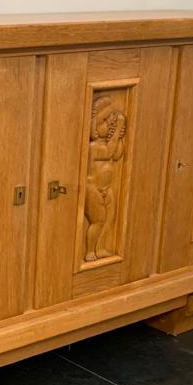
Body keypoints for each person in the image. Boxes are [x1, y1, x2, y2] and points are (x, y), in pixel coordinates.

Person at [84, 96, 126, 261]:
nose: (108, 124)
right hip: (92, 188)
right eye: (104, 121)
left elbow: (116, 154)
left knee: (109, 219)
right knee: (98, 220)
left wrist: (118, 136)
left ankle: (101, 247)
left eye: (110, 121)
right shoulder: (93, 147)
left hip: (107, 188)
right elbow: (108, 152)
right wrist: (116, 131)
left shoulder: (109, 142)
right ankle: (89, 251)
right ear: (93, 126)